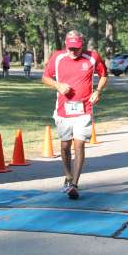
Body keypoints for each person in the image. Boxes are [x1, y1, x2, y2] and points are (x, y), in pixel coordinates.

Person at [42, 30, 107, 200]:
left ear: (82, 45)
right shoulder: (57, 57)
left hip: (84, 110)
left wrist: (98, 91)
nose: (73, 52)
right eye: (70, 48)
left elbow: (103, 75)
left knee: (79, 145)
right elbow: (45, 77)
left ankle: (74, 184)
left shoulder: (92, 57)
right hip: (63, 110)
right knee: (65, 146)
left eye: (76, 48)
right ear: (65, 45)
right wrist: (57, 84)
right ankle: (68, 175)